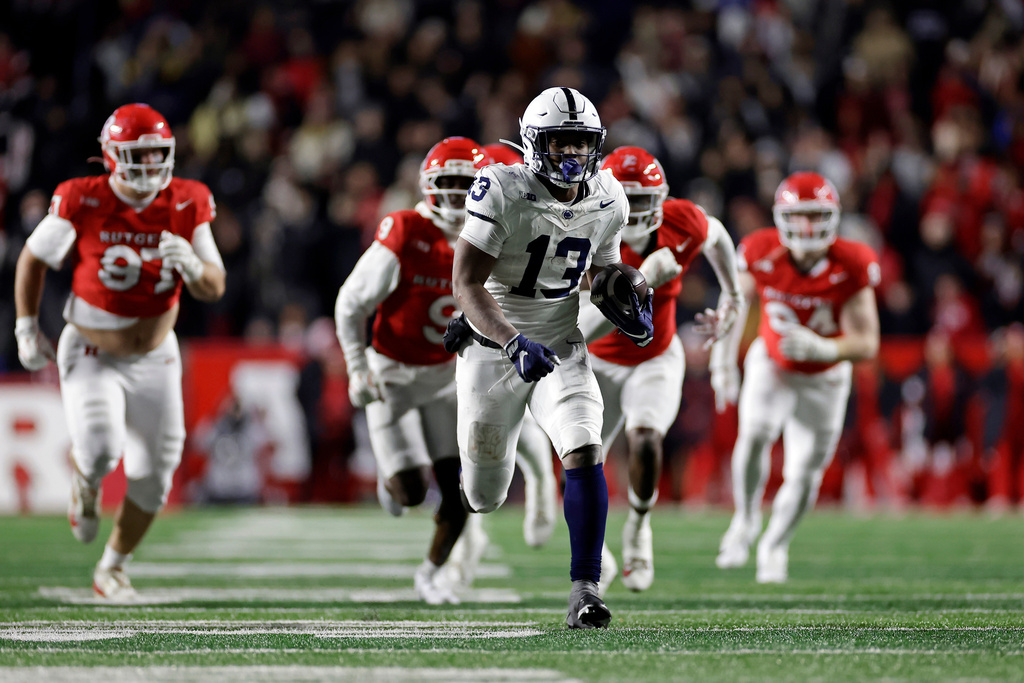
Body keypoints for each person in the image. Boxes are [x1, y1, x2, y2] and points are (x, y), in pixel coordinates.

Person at [451, 86, 653, 629]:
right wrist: (510, 341)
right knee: (483, 495)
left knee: (584, 444)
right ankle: (519, 477)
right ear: (533, 143)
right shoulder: (502, 187)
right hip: (495, 350)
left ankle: (585, 589)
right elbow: (465, 283)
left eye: (582, 144)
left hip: (561, 343)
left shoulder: (609, 196)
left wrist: (627, 295)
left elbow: (601, 269)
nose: (572, 156)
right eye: (561, 143)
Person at [13, 103, 226, 599]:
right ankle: (86, 481)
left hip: (156, 354)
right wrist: (26, 327)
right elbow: (32, 259)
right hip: (92, 349)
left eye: (158, 154)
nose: (151, 166)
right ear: (111, 156)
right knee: (102, 447)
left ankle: (112, 567)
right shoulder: (82, 198)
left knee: (156, 477)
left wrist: (193, 268)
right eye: (139, 155)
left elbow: (214, 285)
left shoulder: (187, 199)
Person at [335, 136, 500, 605]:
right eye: (444, 184)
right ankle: (392, 479)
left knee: (462, 489)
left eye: (463, 184)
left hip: (448, 377)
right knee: (409, 493)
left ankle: (431, 572)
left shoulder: (496, 234)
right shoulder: (406, 229)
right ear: (427, 187)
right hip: (392, 372)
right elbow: (351, 302)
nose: (453, 195)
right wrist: (356, 365)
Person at [578, 146, 743, 592]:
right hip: (596, 360)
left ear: (662, 198)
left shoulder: (680, 220)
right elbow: (580, 329)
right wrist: (644, 275)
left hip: (656, 355)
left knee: (647, 439)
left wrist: (733, 294)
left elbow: (717, 235)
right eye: (624, 203)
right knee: (578, 463)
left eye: (643, 202)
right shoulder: (578, 228)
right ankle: (598, 552)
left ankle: (638, 527)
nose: (633, 217)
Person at [712, 172, 880, 583]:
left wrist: (827, 348)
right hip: (772, 362)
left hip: (825, 376)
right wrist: (722, 360)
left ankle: (775, 544)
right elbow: (735, 300)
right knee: (753, 435)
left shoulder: (853, 261)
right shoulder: (761, 248)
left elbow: (868, 342)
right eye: (799, 216)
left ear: (833, 217)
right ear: (782, 217)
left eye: (816, 216)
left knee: (805, 474)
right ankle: (746, 519)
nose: (807, 227)